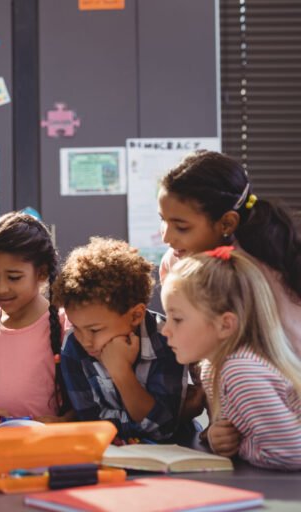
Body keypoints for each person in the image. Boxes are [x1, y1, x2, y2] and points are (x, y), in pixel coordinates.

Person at [161, 246, 301, 470]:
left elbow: (292, 453)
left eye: (177, 319)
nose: (165, 330)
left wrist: (243, 446)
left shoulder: (240, 370)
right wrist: (219, 435)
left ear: (225, 325)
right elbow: (241, 427)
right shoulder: (213, 368)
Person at [158, 150, 301, 356]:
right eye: (163, 220)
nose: (166, 237)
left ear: (227, 223)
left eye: (181, 227)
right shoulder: (175, 262)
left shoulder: (256, 271)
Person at [52, 237, 188, 442]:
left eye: (95, 330)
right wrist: (140, 421)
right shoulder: (73, 347)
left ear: (135, 316)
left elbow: (162, 428)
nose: (85, 340)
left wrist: (121, 372)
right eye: (76, 327)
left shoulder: (167, 341)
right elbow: (93, 425)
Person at [0, 212, 71, 431]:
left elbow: (87, 402)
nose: (1, 288)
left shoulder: (66, 327)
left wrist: (64, 422)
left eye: (14, 277)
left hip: (46, 449)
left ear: (42, 273)